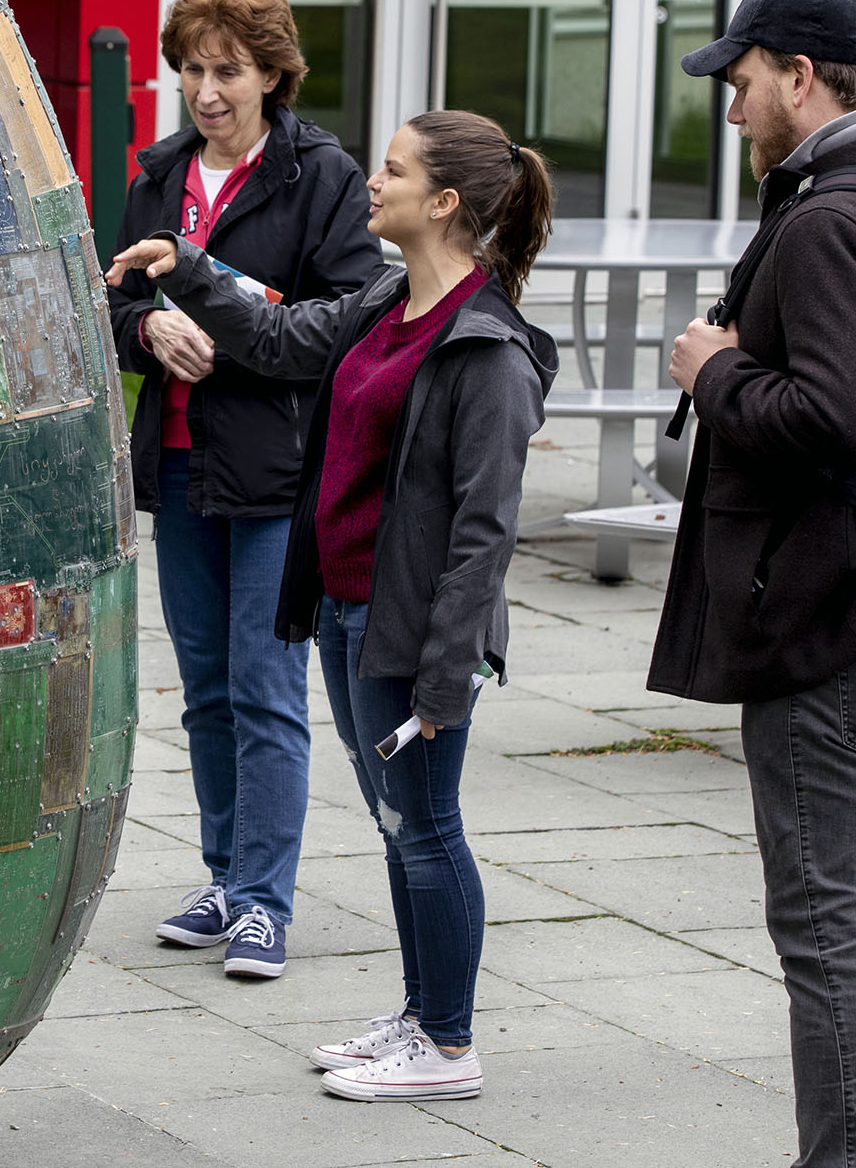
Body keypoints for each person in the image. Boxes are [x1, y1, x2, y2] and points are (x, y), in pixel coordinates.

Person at [110, 109, 556, 1102]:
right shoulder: (384, 302)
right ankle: (418, 1012)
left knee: (427, 824)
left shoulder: (485, 347)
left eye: (393, 170)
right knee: (400, 825)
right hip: (351, 611)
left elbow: (483, 534)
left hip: (416, 630)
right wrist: (186, 266)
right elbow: (273, 336)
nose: (372, 181)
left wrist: (447, 673)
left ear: (442, 201)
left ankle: (446, 1043)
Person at [654, 0, 856, 1168]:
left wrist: (713, 372)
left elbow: (838, 416)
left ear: (798, 76)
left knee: (827, 924)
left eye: (740, 85)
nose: (732, 111)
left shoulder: (833, 217)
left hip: (831, 621)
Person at [107, 0, 380, 981]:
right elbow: (114, 303)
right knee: (207, 689)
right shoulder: (157, 171)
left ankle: (265, 898)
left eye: (226, 70)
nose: (205, 90)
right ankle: (224, 873)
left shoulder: (323, 177)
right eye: (189, 69)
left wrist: (213, 295)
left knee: (266, 689)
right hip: (178, 466)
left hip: (277, 474)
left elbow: (344, 320)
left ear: (272, 72)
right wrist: (148, 324)